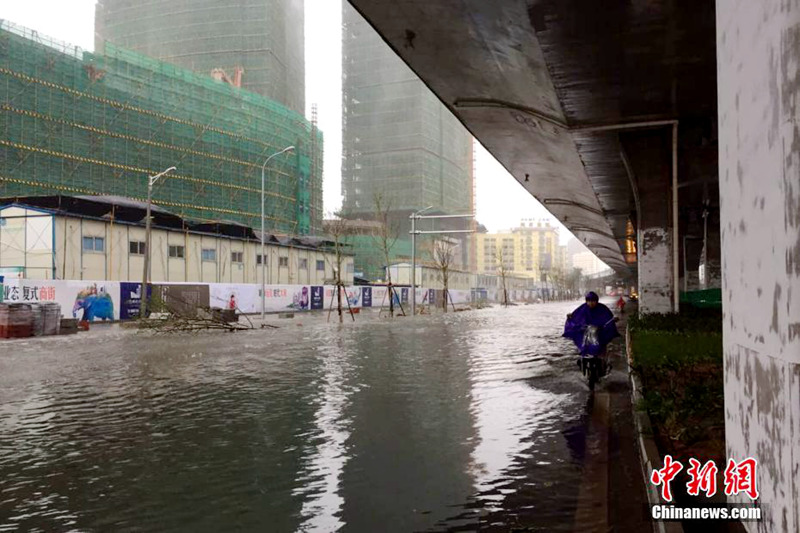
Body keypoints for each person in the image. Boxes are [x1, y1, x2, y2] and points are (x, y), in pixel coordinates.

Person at [563, 291, 620, 356]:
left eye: (593, 301)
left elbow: (608, 319)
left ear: (596, 301)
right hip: (586, 334)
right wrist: (570, 317)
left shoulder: (602, 309)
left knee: (601, 348)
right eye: (589, 301)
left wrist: (613, 320)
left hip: (600, 333)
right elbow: (576, 318)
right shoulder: (583, 308)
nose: (591, 303)